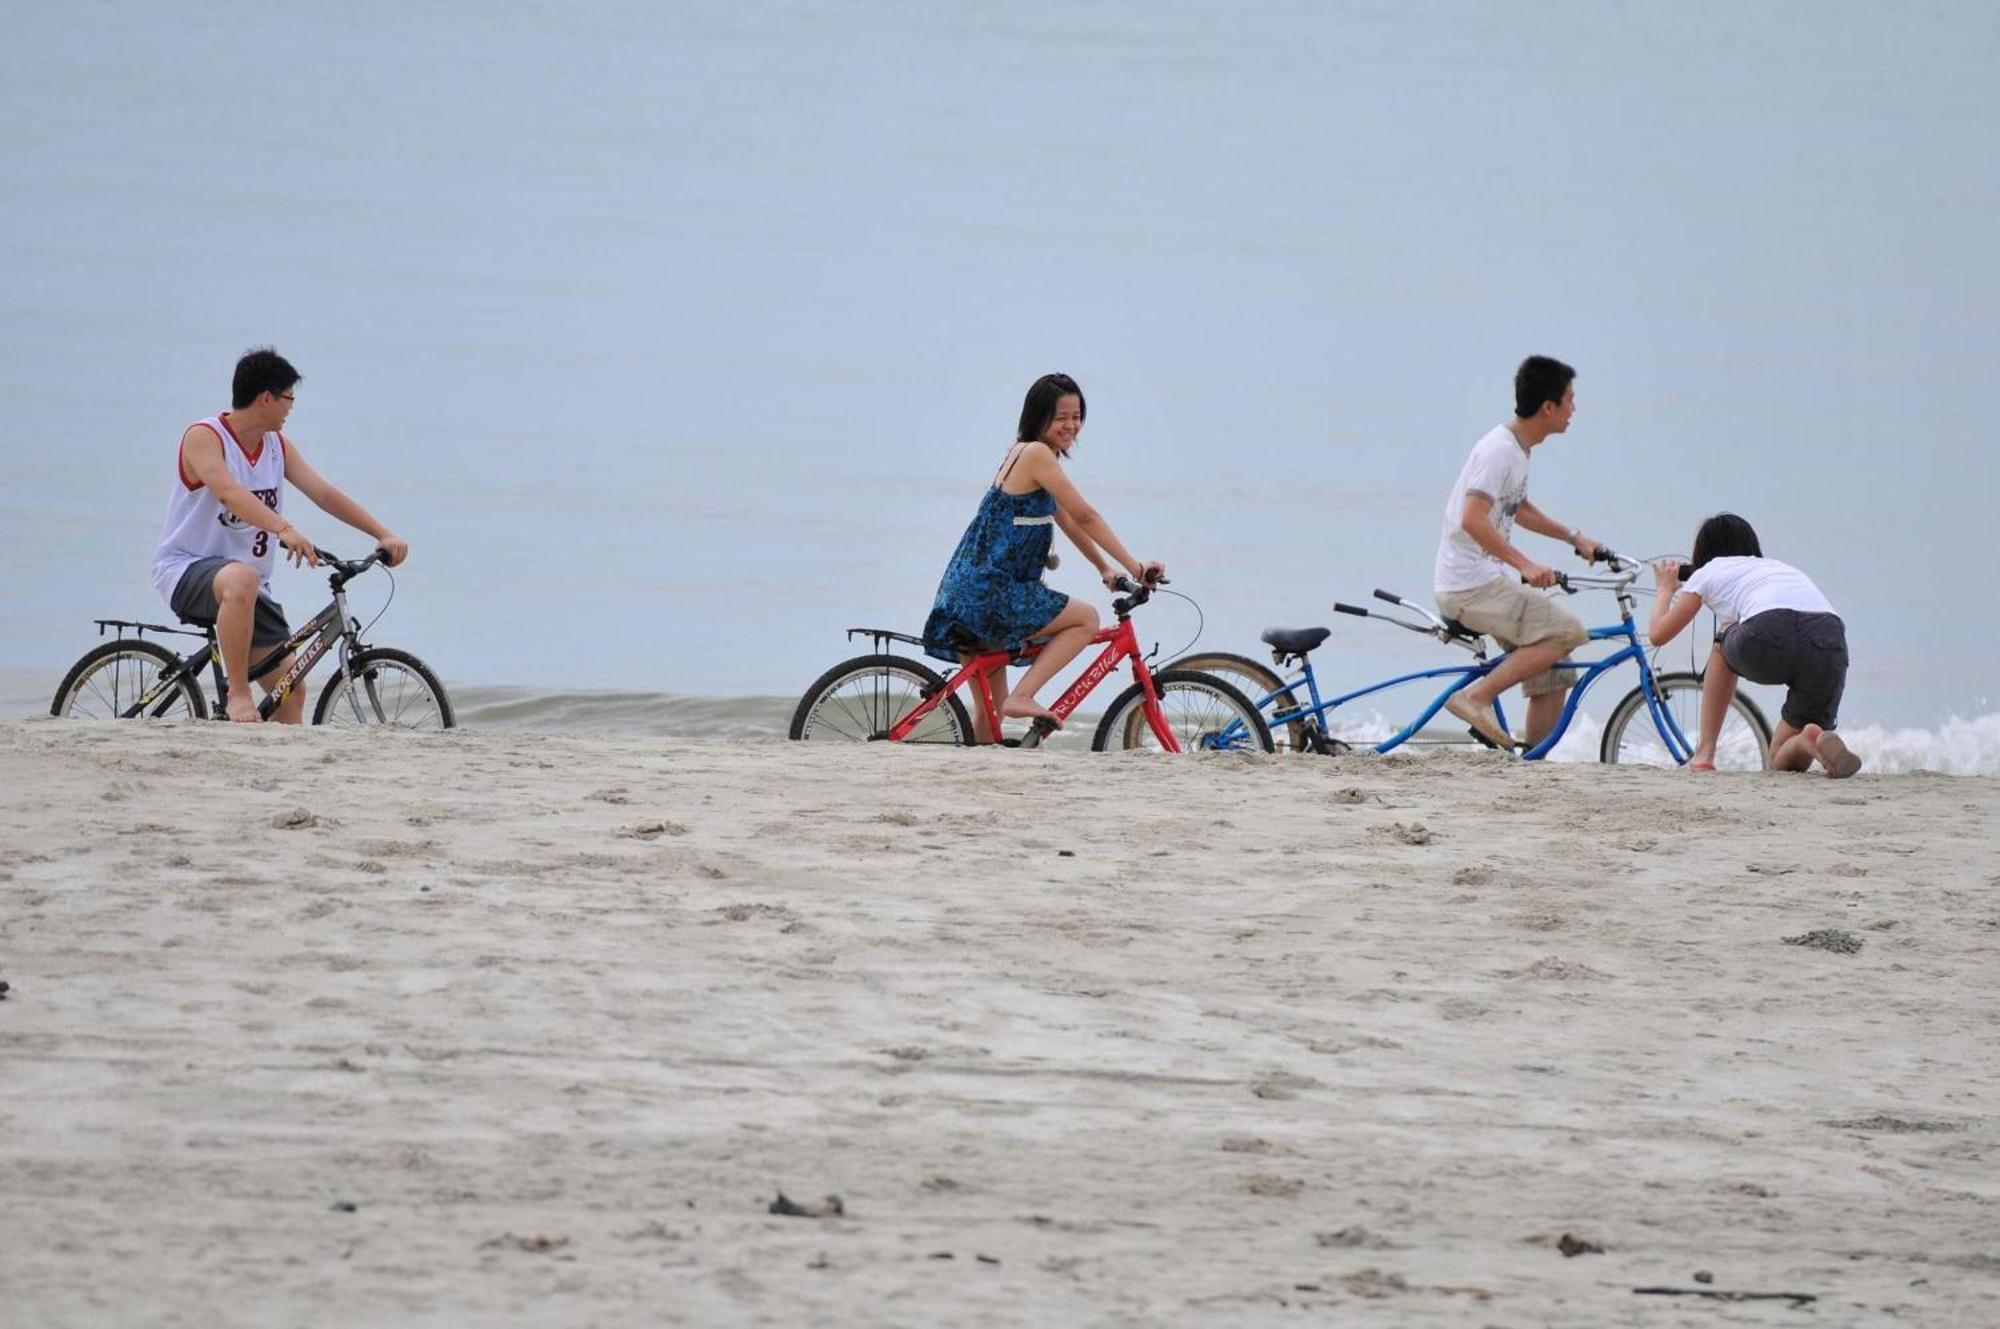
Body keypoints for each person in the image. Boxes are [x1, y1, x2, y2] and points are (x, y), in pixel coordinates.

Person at [150, 348, 409, 723]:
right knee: (241, 576)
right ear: (266, 398)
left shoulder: (277, 446)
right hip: (186, 570)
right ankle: (237, 695)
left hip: (250, 589)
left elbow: (324, 493)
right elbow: (227, 492)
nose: (291, 407)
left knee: (290, 690)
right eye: (289, 398)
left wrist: (382, 533)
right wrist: (283, 528)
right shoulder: (205, 437)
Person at [922, 373, 1163, 744]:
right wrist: (1135, 567)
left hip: (968, 592)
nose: (1071, 425)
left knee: (989, 720)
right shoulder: (1036, 454)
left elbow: (1066, 520)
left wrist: (1104, 569)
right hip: (992, 593)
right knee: (1086, 619)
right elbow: (1086, 515)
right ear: (1038, 417)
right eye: (1061, 417)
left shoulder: (1027, 454)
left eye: (1077, 416)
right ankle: (1024, 695)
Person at [1432, 355, 1603, 751]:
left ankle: (1534, 766)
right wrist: (1524, 564)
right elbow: (1472, 519)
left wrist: (1572, 537)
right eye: (1570, 399)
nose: (1574, 408)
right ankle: (1475, 697)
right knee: (1567, 632)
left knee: (1555, 667)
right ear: (1548, 407)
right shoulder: (1499, 451)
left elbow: (1517, 508)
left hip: (1483, 581)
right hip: (1468, 586)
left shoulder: (1519, 449)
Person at [1649, 513, 1861, 777]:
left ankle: (1704, 754)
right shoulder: (1777, 567)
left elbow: (1658, 634)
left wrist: (1665, 591)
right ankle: (1811, 741)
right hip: (1829, 639)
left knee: (1722, 641)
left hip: (1769, 630)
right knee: (1781, 759)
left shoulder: (1709, 570)